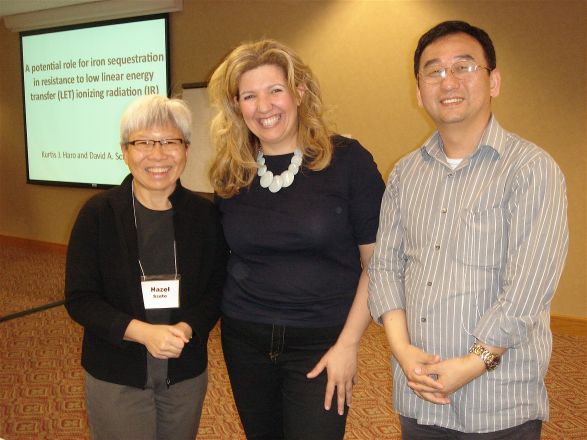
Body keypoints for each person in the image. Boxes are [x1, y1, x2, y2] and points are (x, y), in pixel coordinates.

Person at [368, 20, 569, 439]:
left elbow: (529, 286)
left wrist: (475, 361)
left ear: (493, 81)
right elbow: (385, 267)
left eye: (464, 67)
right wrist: (403, 352)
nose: (448, 82)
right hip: (418, 391)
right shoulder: (405, 174)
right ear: (418, 89)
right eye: (434, 71)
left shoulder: (530, 169)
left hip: (498, 401)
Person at [208, 39, 385, 439]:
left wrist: (349, 344)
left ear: (299, 92)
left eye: (275, 90)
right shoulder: (231, 170)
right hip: (245, 338)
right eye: (249, 96)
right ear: (237, 106)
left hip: (322, 342)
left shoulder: (348, 160)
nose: (264, 106)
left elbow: (378, 262)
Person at [65, 94, 228, 440]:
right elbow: (80, 298)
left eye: (169, 141)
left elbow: (217, 288)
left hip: (184, 370)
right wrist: (142, 332)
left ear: (185, 149)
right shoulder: (98, 214)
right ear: (125, 152)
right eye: (143, 143)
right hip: (116, 371)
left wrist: (187, 328)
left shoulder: (205, 216)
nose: (157, 155)